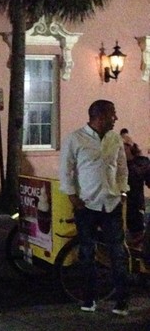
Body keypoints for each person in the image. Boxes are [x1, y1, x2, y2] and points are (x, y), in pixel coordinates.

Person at [59, 100, 130, 316]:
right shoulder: (75, 139)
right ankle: (89, 299)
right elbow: (66, 170)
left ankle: (121, 301)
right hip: (87, 205)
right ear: (100, 116)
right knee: (87, 253)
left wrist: (123, 192)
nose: (116, 118)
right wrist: (73, 197)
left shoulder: (115, 139)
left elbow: (122, 168)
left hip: (111, 203)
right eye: (112, 114)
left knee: (117, 253)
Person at [120, 130, 150, 250]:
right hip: (118, 208)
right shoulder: (115, 164)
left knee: (137, 237)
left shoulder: (140, 163)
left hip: (135, 208)